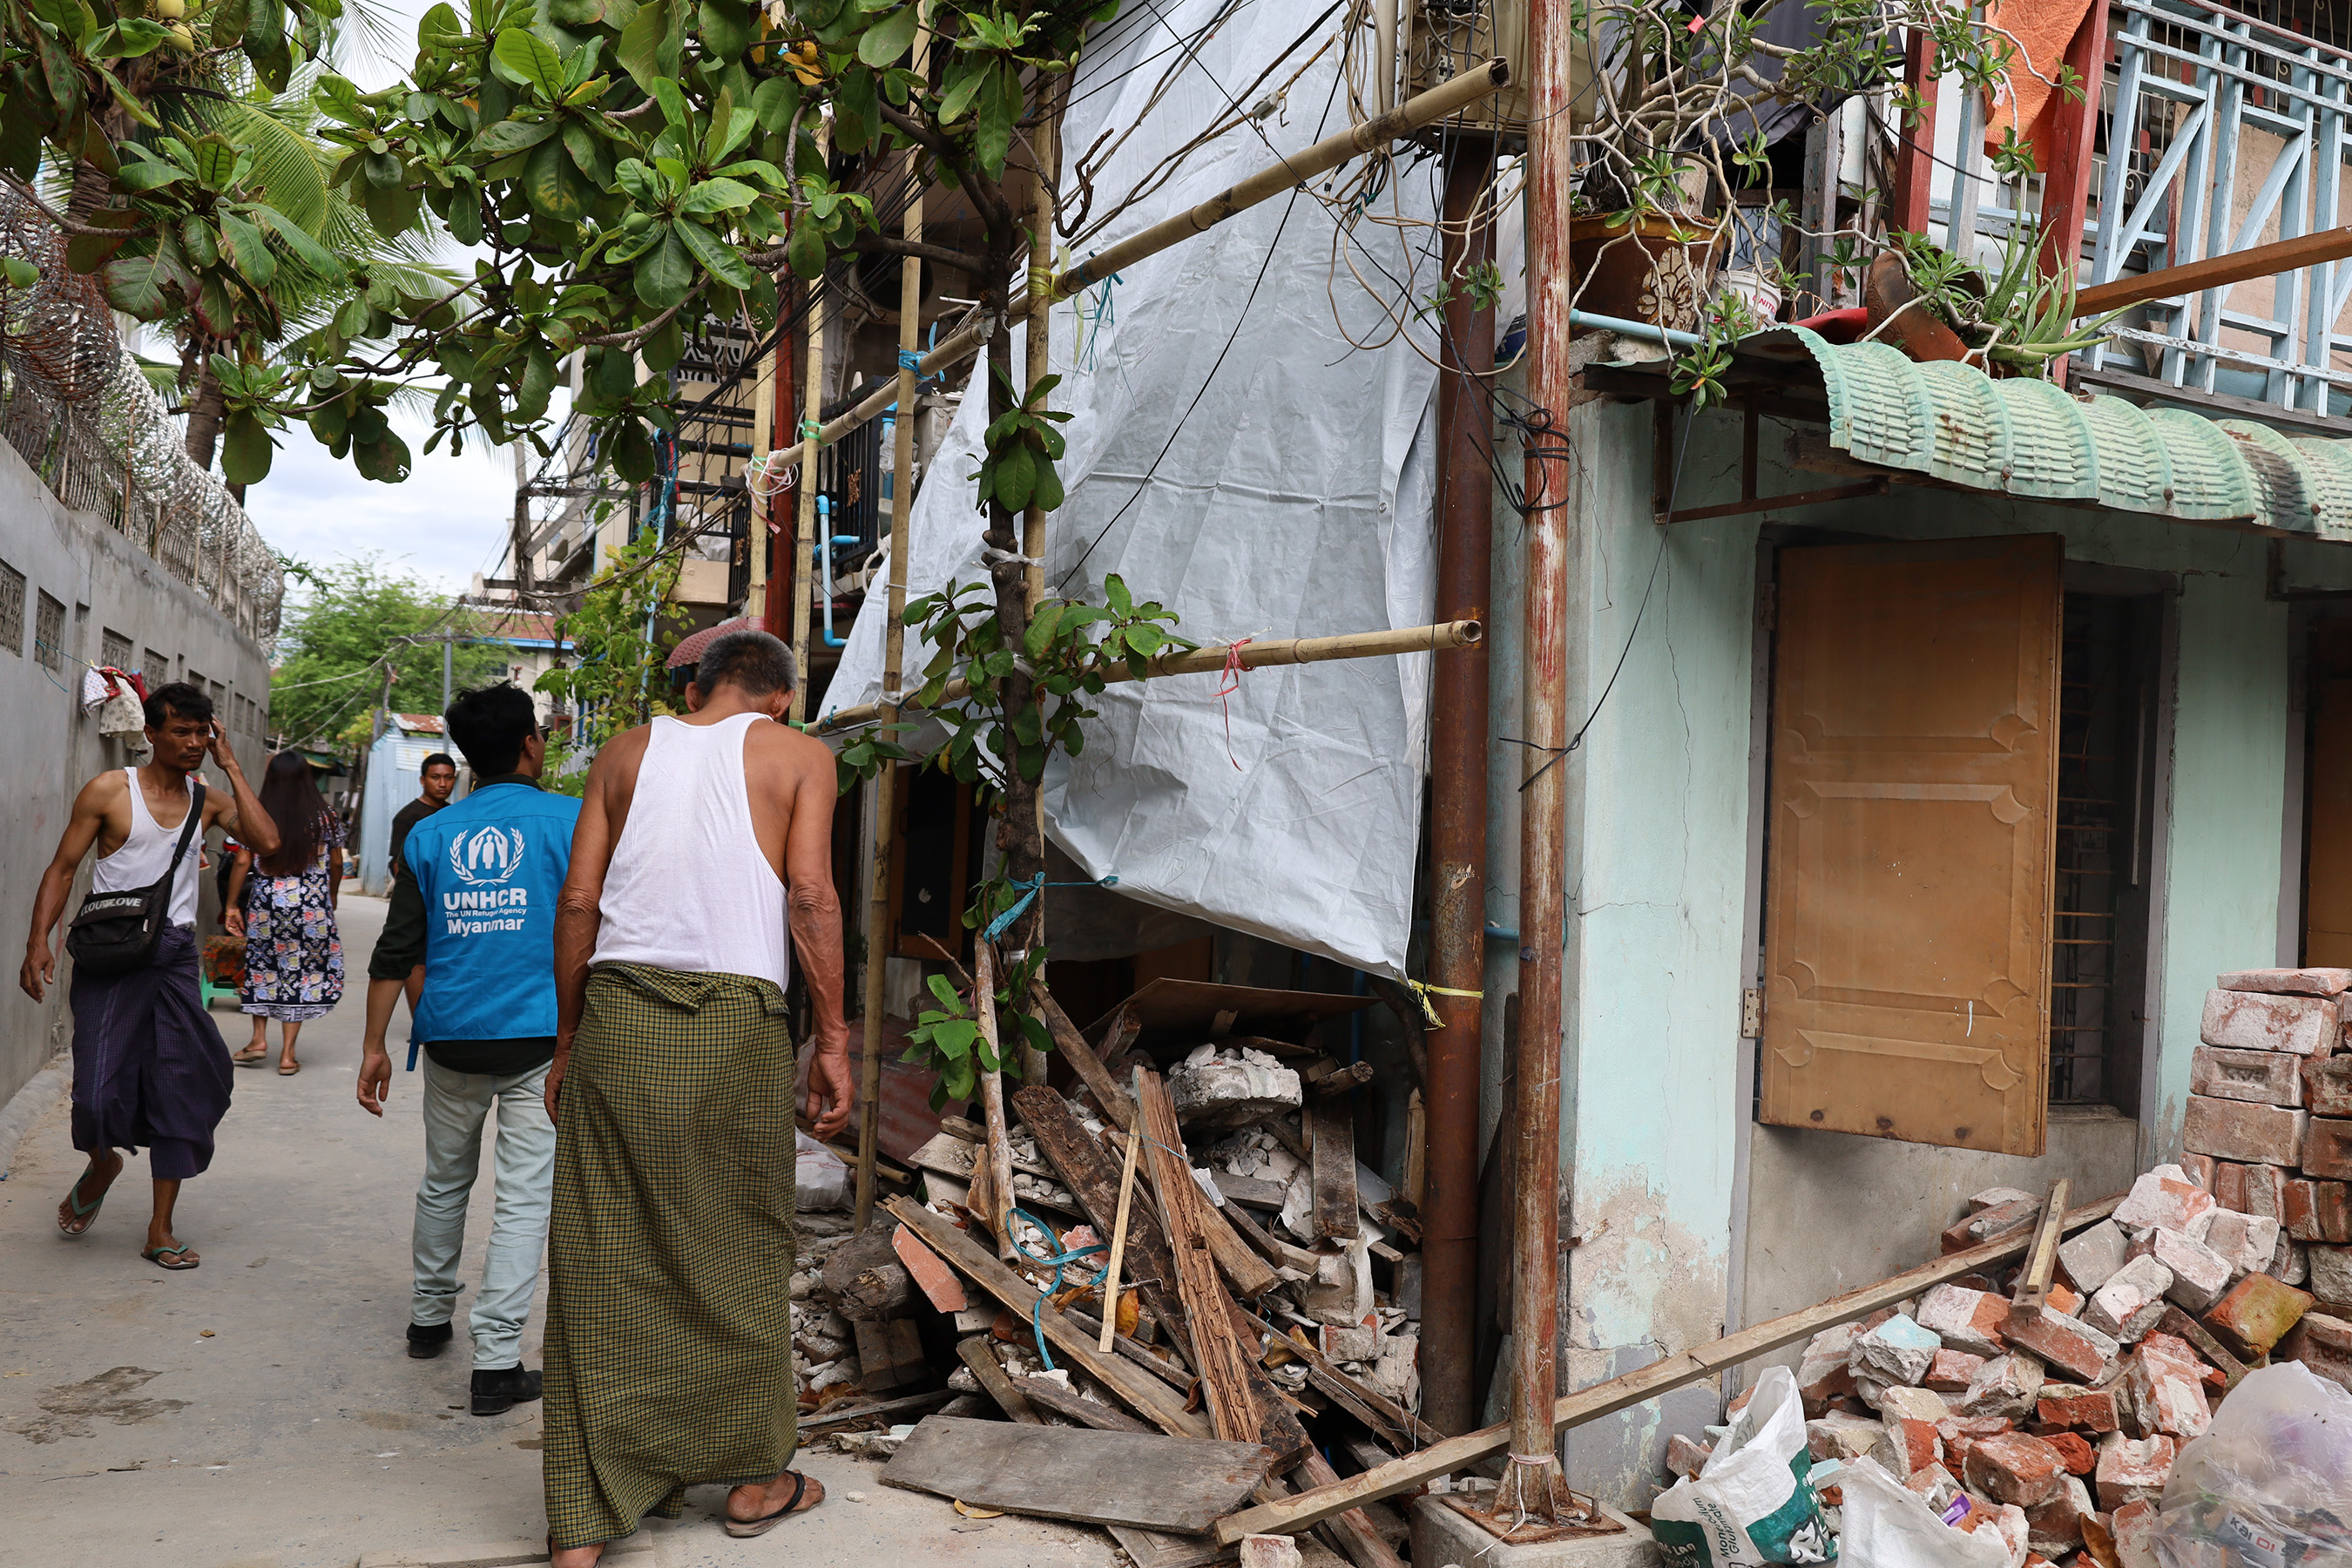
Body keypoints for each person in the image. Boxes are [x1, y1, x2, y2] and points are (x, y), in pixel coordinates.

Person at [542, 629, 854, 1565]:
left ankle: (582, 1524)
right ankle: (757, 1479)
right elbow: (810, 895)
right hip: (736, 1025)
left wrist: (568, 1038)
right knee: (737, 1242)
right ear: (780, 697)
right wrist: (833, 1036)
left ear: (701, 687)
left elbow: (577, 905)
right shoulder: (800, 755)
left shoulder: (627, 751)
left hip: (620, 1016)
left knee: (603, 1251)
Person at [355, 687, 577, 1416]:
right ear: (530, 745)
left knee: (444, 1180)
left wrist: (373, 1046)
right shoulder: (571, 821)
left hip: (449, 1035)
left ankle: (427, 1321)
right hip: (541, 1041)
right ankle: (497, 1363)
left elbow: (397, 948)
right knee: (523, 1200)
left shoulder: (430, 835)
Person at [19, 682, 280, 1270]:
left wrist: (232, 766)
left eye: (201, 733)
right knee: (93, 1092)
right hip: (112, 954)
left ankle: (160, 1229)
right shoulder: (110, 791)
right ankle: (104, 1160)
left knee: (181, 1084)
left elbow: (266, 842)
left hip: (173, 956)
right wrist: (40, 939)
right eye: (181, 732)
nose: (193, 743)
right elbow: (63, 868)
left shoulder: (208, 799)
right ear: (152, 734)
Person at [225, 752, 346, 1074]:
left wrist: (231, 905)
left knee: (263, 966)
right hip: (311, 908)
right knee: (300, 973)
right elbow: (336, 863)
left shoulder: (259, 814)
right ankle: (288, 1055)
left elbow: (241, 861)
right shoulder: (326, 817)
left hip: (267, 906)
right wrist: (330, 898)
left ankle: (258, 1039)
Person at [387, 751, 459, 1018]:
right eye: (436, 777)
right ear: (423, 779)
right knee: (417, 961)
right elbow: (398, 863)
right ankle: (421, 1021)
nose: (442, 783)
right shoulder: (409, 817)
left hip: (449, 900)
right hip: (420, 899)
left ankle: (442, 1016)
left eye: (448, 778)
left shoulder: (455, 814)